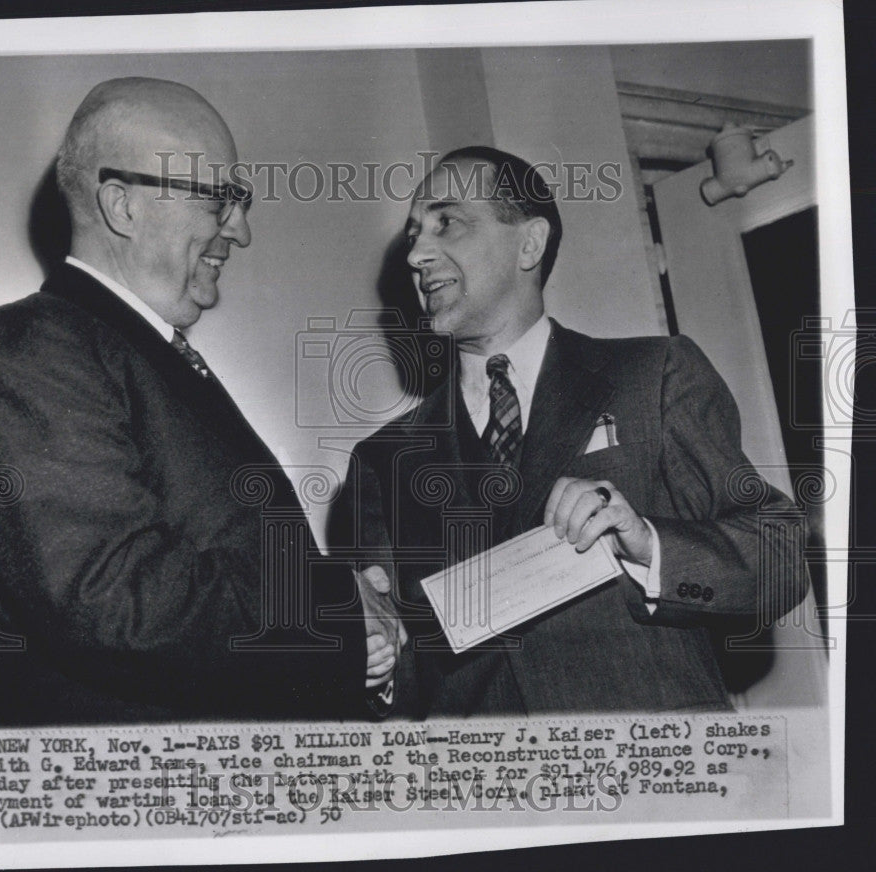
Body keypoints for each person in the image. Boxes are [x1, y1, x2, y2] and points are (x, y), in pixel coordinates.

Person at [0, 77, 397, 725]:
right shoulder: (33, 343)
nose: (239, 232)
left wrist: (361, 630)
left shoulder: (140, 352)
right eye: (219, 200)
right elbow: (108, 595)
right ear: (122, 206)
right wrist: (337, 607)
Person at [338, 146, 808, 716]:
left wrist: (647, 543)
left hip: (654, 780)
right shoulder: (382, 460)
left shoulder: (654, 375)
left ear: (529, 243)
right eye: (414, 234)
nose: (416, 253)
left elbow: (779, 559)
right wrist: (373, 665)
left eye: (447, 223)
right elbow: (398, 674)